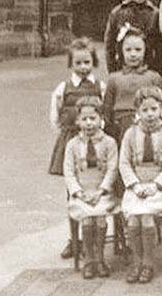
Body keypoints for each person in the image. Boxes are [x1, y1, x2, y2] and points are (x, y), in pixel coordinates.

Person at [48, 37, 106, 259]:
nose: (83, 67)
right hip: (73, 142)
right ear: (71, 64)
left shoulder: (100, 87)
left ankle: (96, 237)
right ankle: (75, 239)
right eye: (78, 63)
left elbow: (105, 115)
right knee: (73, 191)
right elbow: (55, 116)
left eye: (87, 63)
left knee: (96, 187)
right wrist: (67, 136)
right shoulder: (63, 88)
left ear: (94, 63)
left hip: (95, 143)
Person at [119, 86, 162, 284]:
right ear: (137, 112)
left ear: (161, 109)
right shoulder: (130, 133)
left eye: (154, 109)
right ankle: (137, 261)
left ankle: (149, 262)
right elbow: (124, 163)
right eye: (144, 110)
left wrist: (156, 185)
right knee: (133, 220)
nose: (150, 114)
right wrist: (135, 185)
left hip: (159, 188)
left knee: (145, 218)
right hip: (137, 187)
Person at [63, 96, 118, 279]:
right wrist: (78, 192)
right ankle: (89, 260)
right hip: (82, 193)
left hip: (102, 192)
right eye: (84, 119)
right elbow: (69, 172)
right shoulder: (72, 145)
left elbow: (112, 169)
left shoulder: (109, 143)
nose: (88, 123)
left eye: (93, 118)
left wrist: (102, 190)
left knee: (100, 219)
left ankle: (100, 259)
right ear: (77, 120)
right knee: (87, 220)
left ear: (101, 118)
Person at [103, 26, 162, 145]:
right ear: (121, 51)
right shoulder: (114, 78)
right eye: (128, 50)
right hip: (120, 126)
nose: (133, 54)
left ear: (145, 51)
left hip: (148, 123)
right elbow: (107, 109)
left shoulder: (154, 77)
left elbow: (161, 105)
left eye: (138, 49)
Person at [104, 0, 162, 73]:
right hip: (122, 68)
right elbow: (109, 45)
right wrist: (112, 70)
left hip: (147, 68)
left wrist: (157, 71)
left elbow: (159, 46)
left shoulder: (155, 14)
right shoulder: (117, 13)